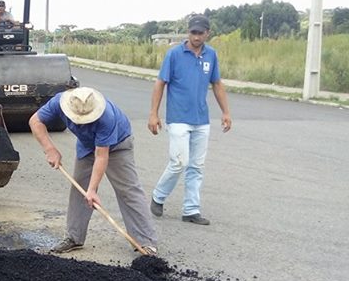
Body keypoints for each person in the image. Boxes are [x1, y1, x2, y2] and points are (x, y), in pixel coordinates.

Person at [29, 87, 158, 255]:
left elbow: (101, 156)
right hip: (87, 144)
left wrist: (92, 190)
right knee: (79, 189)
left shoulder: (106, 117)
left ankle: (146, 242)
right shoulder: (59, 102)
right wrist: (50, 149)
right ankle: (74, 237)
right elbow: (35, 121)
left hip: (118, 144)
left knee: (128, 190)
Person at [148, 15, 232, 226]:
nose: (196, 36)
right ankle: (158, 196)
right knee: (179, 162)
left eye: (200, 33)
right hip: (178, 118)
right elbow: (160, 83)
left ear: (207, 33)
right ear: (188, 32)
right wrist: (153, 113)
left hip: (201, 119)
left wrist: (226, 112)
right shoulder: (174, 54)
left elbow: (217, 84)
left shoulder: (211, 55)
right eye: (193, 32)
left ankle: (191, 210)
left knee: (196, 166)